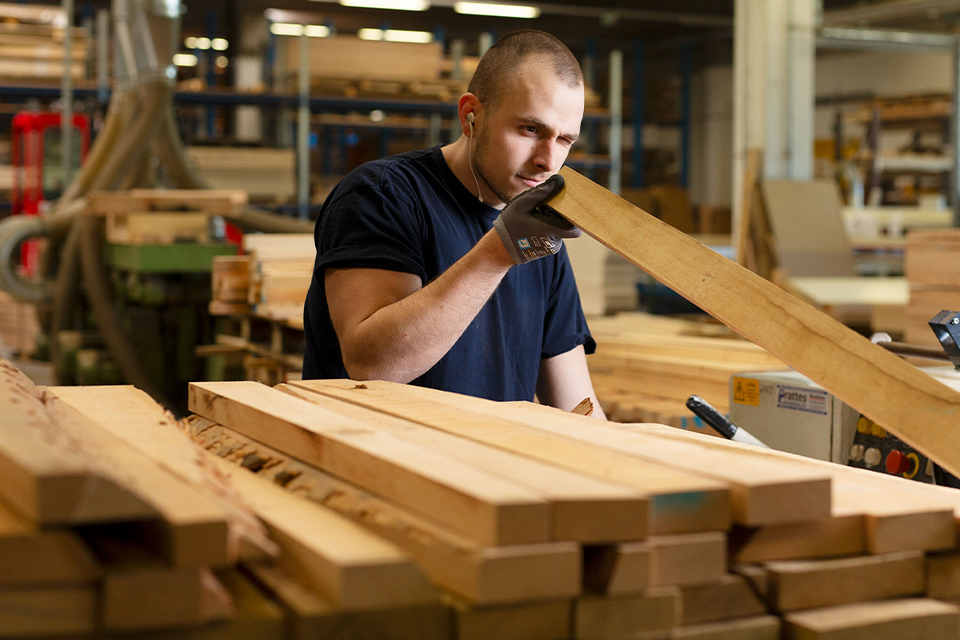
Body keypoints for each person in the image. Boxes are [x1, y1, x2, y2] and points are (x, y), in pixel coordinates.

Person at [302, 29, 605, 418]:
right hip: (373, 469)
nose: (549, 160)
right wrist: (500, 251)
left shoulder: (538, 234)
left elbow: (577, 406)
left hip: (483, 471)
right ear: (470, 116)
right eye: (531, 129)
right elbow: (374, 367)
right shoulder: (383, 194)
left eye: (565, 140)